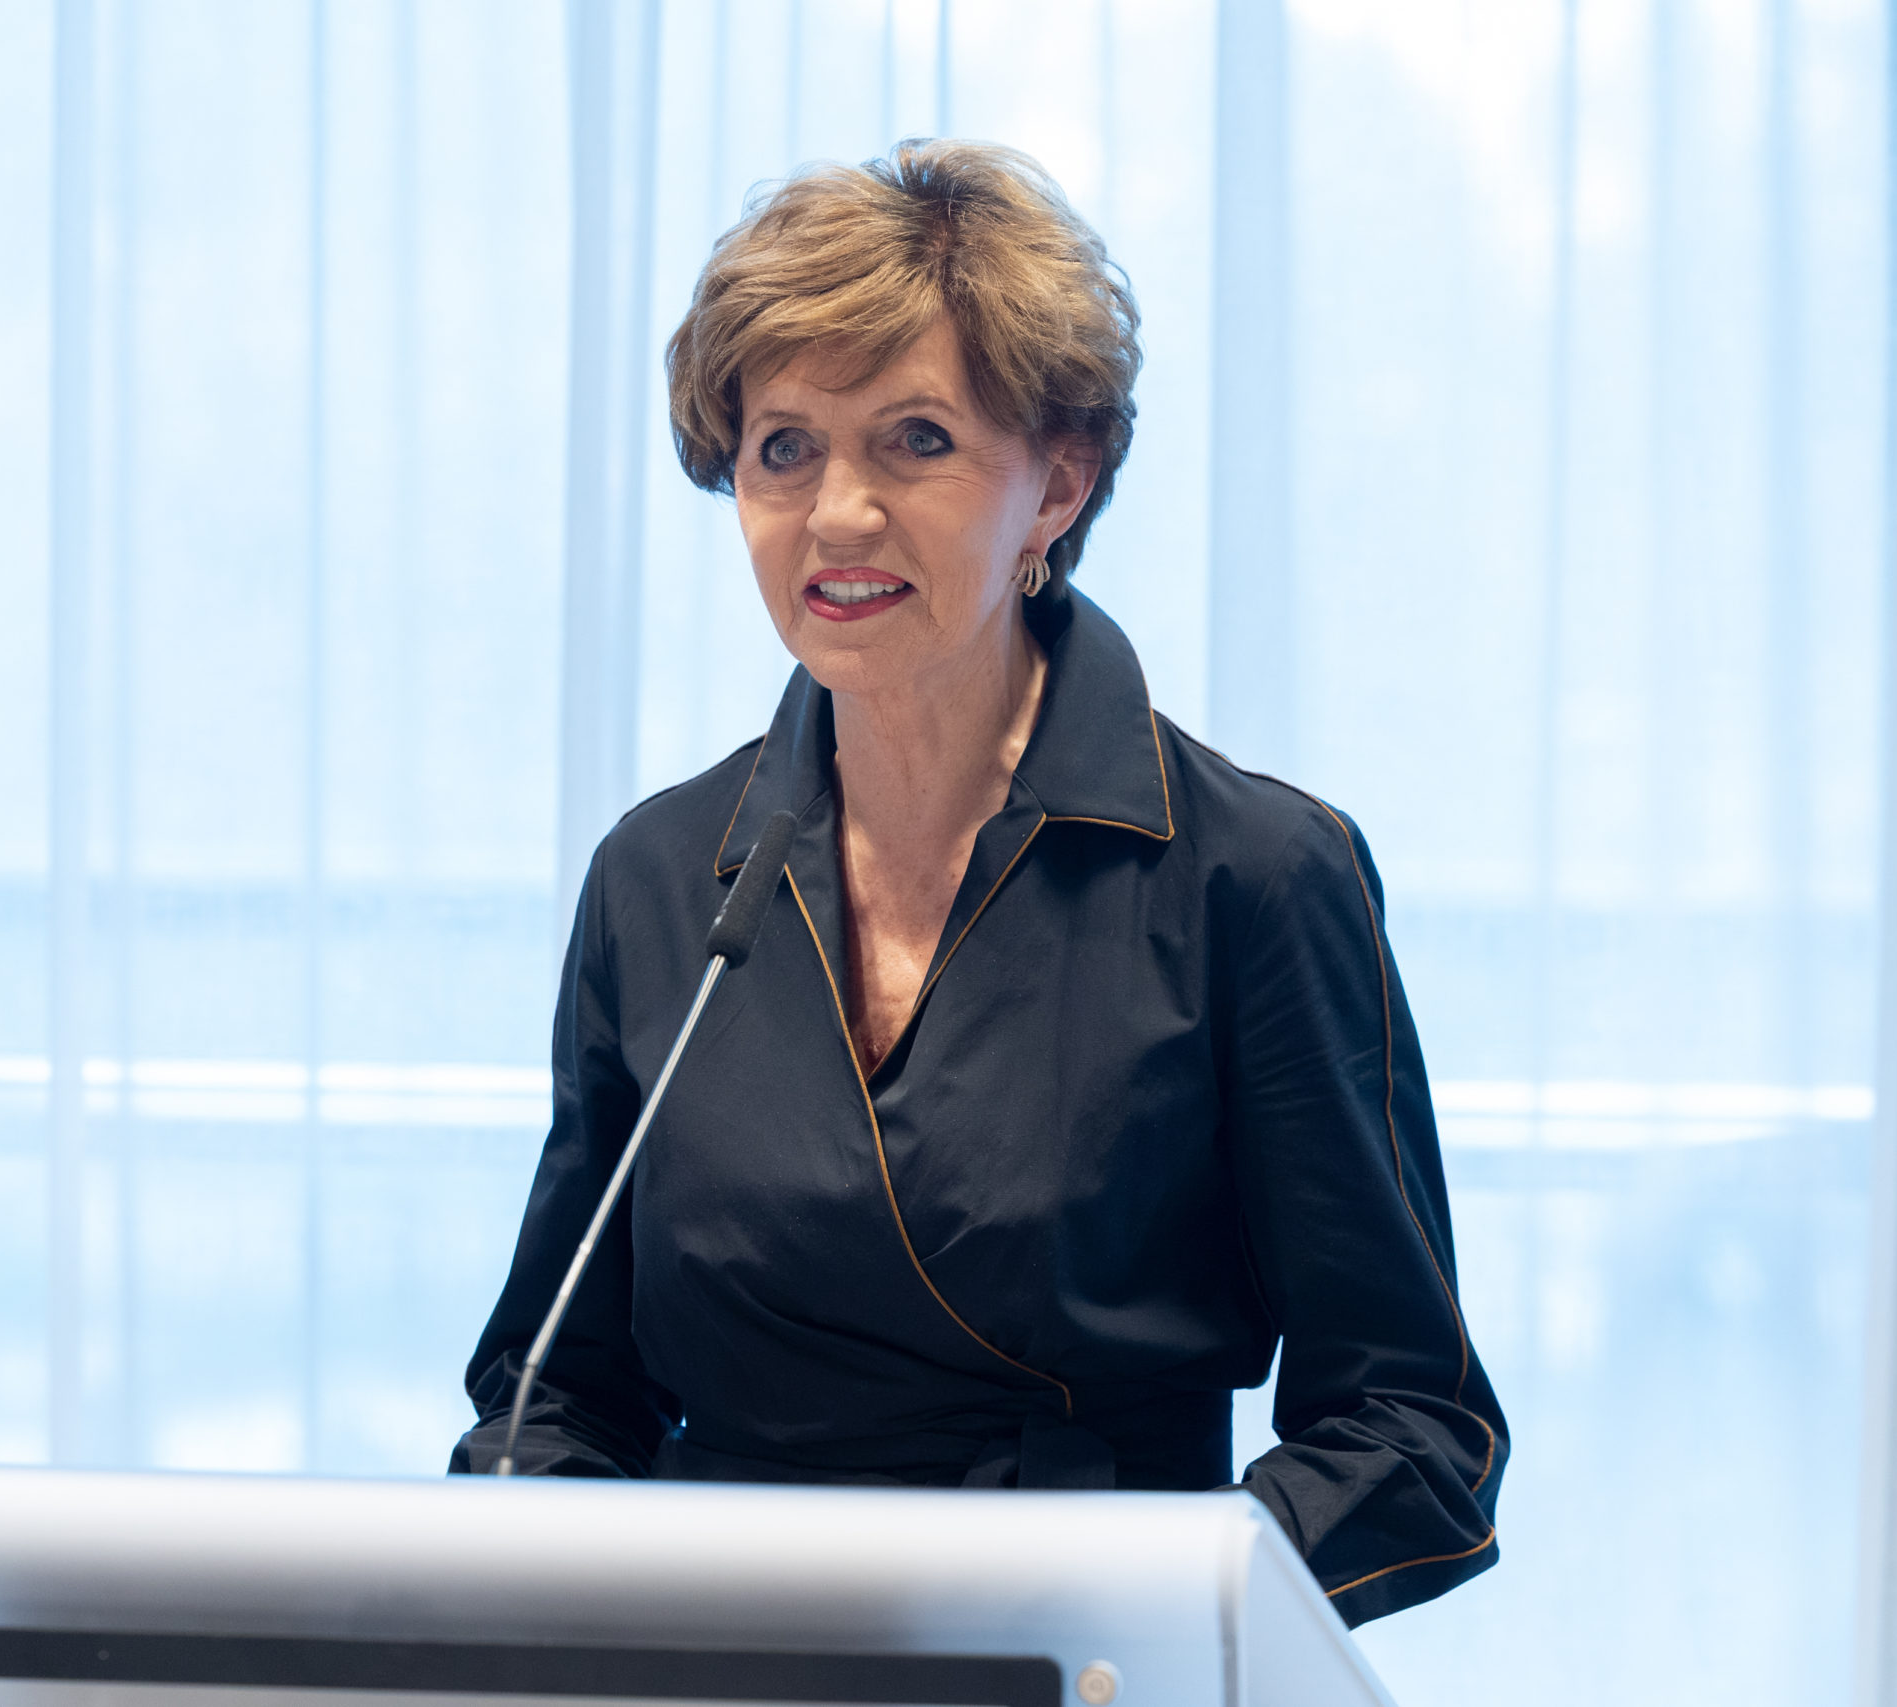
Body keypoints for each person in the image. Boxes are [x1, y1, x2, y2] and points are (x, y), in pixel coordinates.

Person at [451, 139, 1505, 1628]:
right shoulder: (659, 877)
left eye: (917, 440)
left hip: (1083, 1657)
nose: (838, 515)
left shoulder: (1256, 878)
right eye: (784, 448)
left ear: (1058, 482)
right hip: (718, 1658)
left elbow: (1412, 1432)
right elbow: (556, 1391)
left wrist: (1139, 1602)